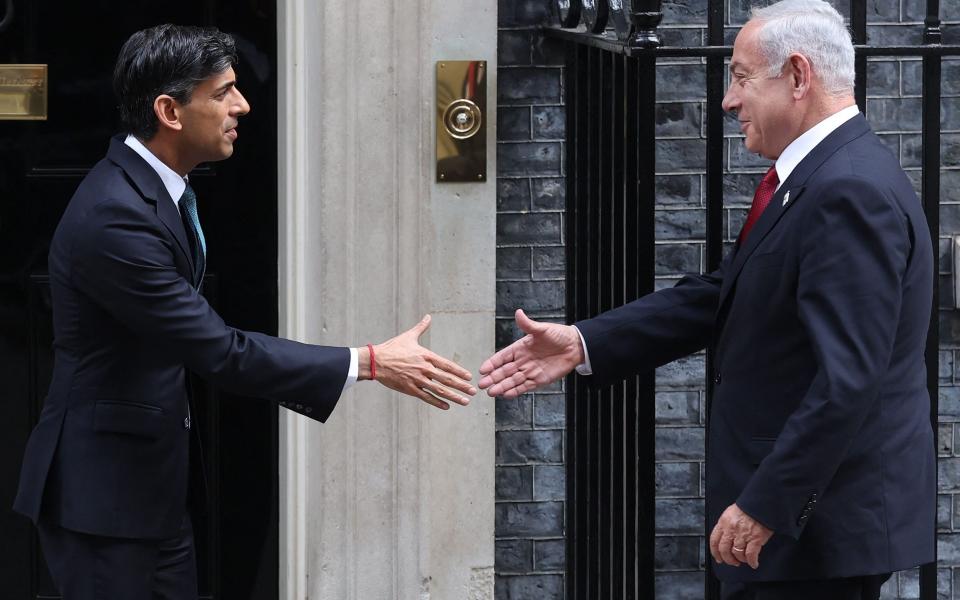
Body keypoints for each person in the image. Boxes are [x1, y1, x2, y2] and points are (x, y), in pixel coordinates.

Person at [479, 1, 934, 598]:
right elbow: (726, 292)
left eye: (742, 77)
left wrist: (766, 505)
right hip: (799, 535)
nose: (728, 99)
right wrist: (587, 341)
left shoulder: (847, 191)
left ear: (798, 77)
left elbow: (848, 379)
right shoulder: (822, 176)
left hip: (814, 537)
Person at [13, 24, 475, 600]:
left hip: (148, 489)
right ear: (169, 111)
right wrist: (371, 362)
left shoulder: (154, 188)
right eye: (222, 92)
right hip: (103, 500)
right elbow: (218, 351)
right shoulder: (116, 217)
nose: (243, 104)